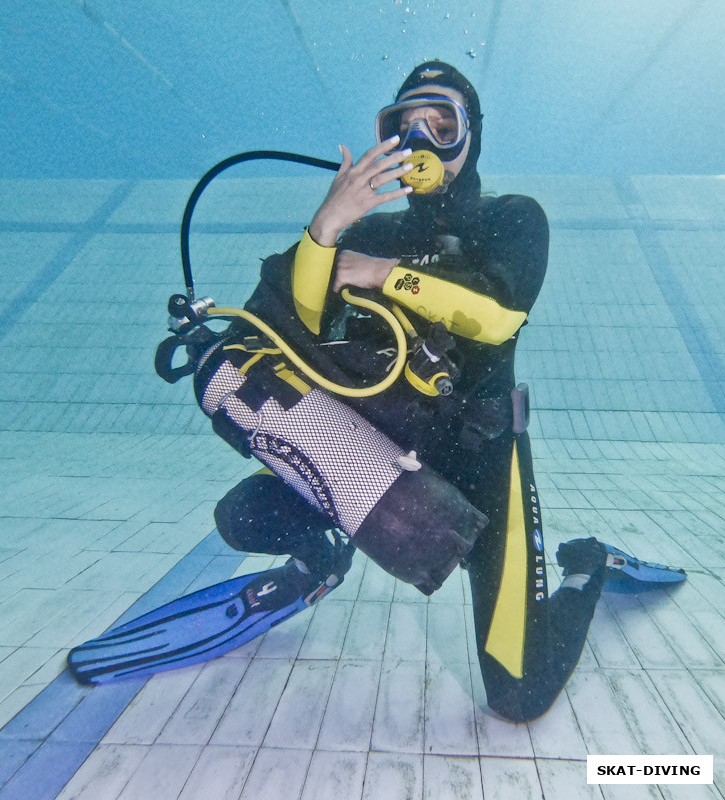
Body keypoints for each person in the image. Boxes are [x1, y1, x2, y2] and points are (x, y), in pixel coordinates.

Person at [210, 61, 607, 722]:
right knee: (242, 518)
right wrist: (326, 229)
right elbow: (296, 329)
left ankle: (591, 566)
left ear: (471, 135)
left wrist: (377, 273)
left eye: (442, 121)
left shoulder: (512, 219)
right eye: (405, 122)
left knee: (518, 694)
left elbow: (497, 315)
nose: (423, 134)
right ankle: (323, 557)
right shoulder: (368, 231)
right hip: (379, 454)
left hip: (483, 459)